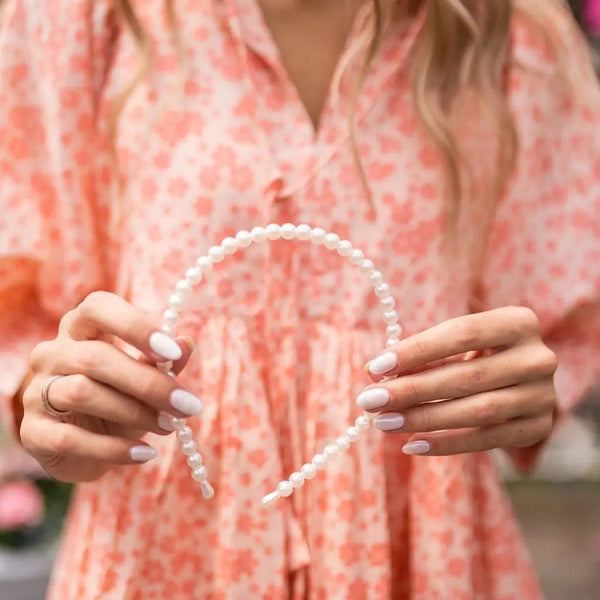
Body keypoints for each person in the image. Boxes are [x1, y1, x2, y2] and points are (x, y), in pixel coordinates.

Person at [1, 1, 599, 598]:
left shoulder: (510, 32)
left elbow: (552, 336)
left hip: (422, 554)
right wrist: (57, 403)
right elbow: (27, 312)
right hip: (163, 552)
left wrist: (519, 392)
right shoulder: (82, 16)